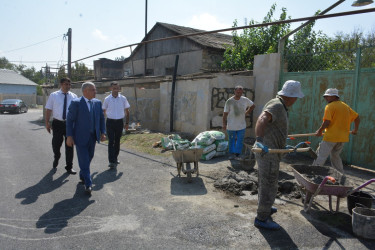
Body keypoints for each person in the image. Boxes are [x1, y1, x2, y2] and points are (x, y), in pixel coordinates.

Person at [253, 80, 304, 230]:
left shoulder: (280, 105)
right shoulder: (276, 105)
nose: (296, 100)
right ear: (291, 96)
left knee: (266, 182)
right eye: (296, 97)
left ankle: (265, 207)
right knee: (269, 184)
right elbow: (262, 119)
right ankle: (262, 217)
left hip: (273, 151)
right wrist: (259, 141)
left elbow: (274, 126)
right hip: (267, 152)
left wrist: (282, 143)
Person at [66, 82, 106, 195]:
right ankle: (88, 184)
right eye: (93, 90)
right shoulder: (76, 103)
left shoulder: (97, 103)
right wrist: (69, 136)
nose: (95, 92)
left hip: (93, 137)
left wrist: (103, 132)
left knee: (89, 157)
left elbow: (101, 119)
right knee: (84, 159)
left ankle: (83, 174)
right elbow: (70, 120)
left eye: (95, 89)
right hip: (80, 137)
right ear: (85, 91)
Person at [312, 88, 360, 173]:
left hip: (331, 137)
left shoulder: (330, 106)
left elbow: (327, 122)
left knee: (320, 156)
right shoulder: (345, 106)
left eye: (328, 96)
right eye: (325, 96)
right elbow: (357, 117)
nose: (326, 98)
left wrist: (319, 131)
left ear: (334, 96)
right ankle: (340, 175)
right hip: (342, 138)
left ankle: (313, 172)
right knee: (335, 156)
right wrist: (355, 130)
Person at [45, 77, 77, 174]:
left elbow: (77, 111)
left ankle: (69, 167)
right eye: (65, 84)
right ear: (61, 84)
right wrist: (47, 122)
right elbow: (48, 109)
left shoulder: (74, 96)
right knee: (56, 144)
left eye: (69, 84)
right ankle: (57, 156)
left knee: (70, 146)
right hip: (57, 123)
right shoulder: (54, 95)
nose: (67, 86)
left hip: (70, 124)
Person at [102, 82, 130, 168]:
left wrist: (127, 123)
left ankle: (115, 158)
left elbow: (127, 111)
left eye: (117, 88)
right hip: (110, 122)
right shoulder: (107, 99)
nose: (116, 90)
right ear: (111, 89)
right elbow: (104, 112)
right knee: (111, 141)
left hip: (119, 122)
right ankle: (111, 161)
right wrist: (103, 124)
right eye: (114, 88)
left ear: (119, 89)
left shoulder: (123, 98)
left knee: (117, 141)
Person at [223, 85, 255, 160]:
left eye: (240, 92)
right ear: (234, 91)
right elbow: (225, 114)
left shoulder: (245, 100)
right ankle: (231, 154)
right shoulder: (229, 101)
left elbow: (253, 106)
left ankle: (237, 155)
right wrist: (224, 124)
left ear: (242, 92)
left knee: (240, 141)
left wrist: (246, 113)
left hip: (241, 125)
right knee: (231, 140)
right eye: (237, 92)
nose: (239, 93)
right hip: (231, 125)